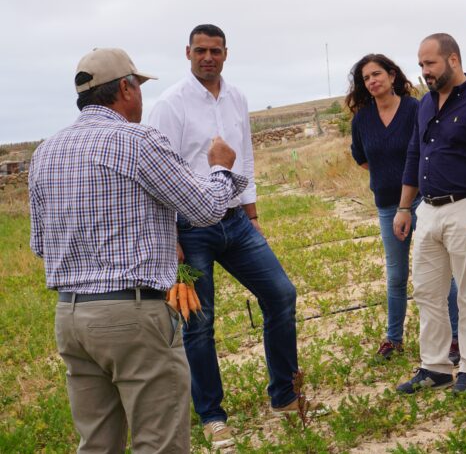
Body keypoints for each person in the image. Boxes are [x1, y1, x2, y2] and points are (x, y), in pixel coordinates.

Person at [28, 47, 248, 453]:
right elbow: (204, 209)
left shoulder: (45, 152)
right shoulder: (138, 140)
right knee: (159, 442)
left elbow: (40, 245)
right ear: (126, 89)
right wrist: (221, 168)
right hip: (133, 315)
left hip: (71, 318)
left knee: (96, 443)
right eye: (138, 87)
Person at [148, 24, 301, 448]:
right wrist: (170, 238)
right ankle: (213, 417)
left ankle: (285, 396)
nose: (208, 57)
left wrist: (252, 214)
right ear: (188, 52)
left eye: (215, 50)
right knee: (199, 323)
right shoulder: (169, 105)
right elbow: (158, 177)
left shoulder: (236, 98)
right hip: (189, 229)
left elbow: (245, 156)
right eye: (201, 50)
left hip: (234, 221)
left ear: (226, 54)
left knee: (281, 294)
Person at [393, 33, 466, 396]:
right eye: (421, 65)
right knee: (426, 292)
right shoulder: (424, 103)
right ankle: (434, 366)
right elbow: (414, 155)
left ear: (453, 60)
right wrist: (405, 207)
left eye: (430, 64)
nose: (424, 72)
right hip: (428, 210)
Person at [346, 54, 459, 361]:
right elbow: (362, 158)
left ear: (392, 75)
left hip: (424, 201)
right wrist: (388, 178)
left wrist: (409, 186)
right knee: (396, 275)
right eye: (366, 78)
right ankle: (393, 339)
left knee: (438, 272)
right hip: (386, 205)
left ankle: (456, 337)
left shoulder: (415, 108)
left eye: (377, 74)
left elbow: (428, 149)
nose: (372, 81)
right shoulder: (362, 120)